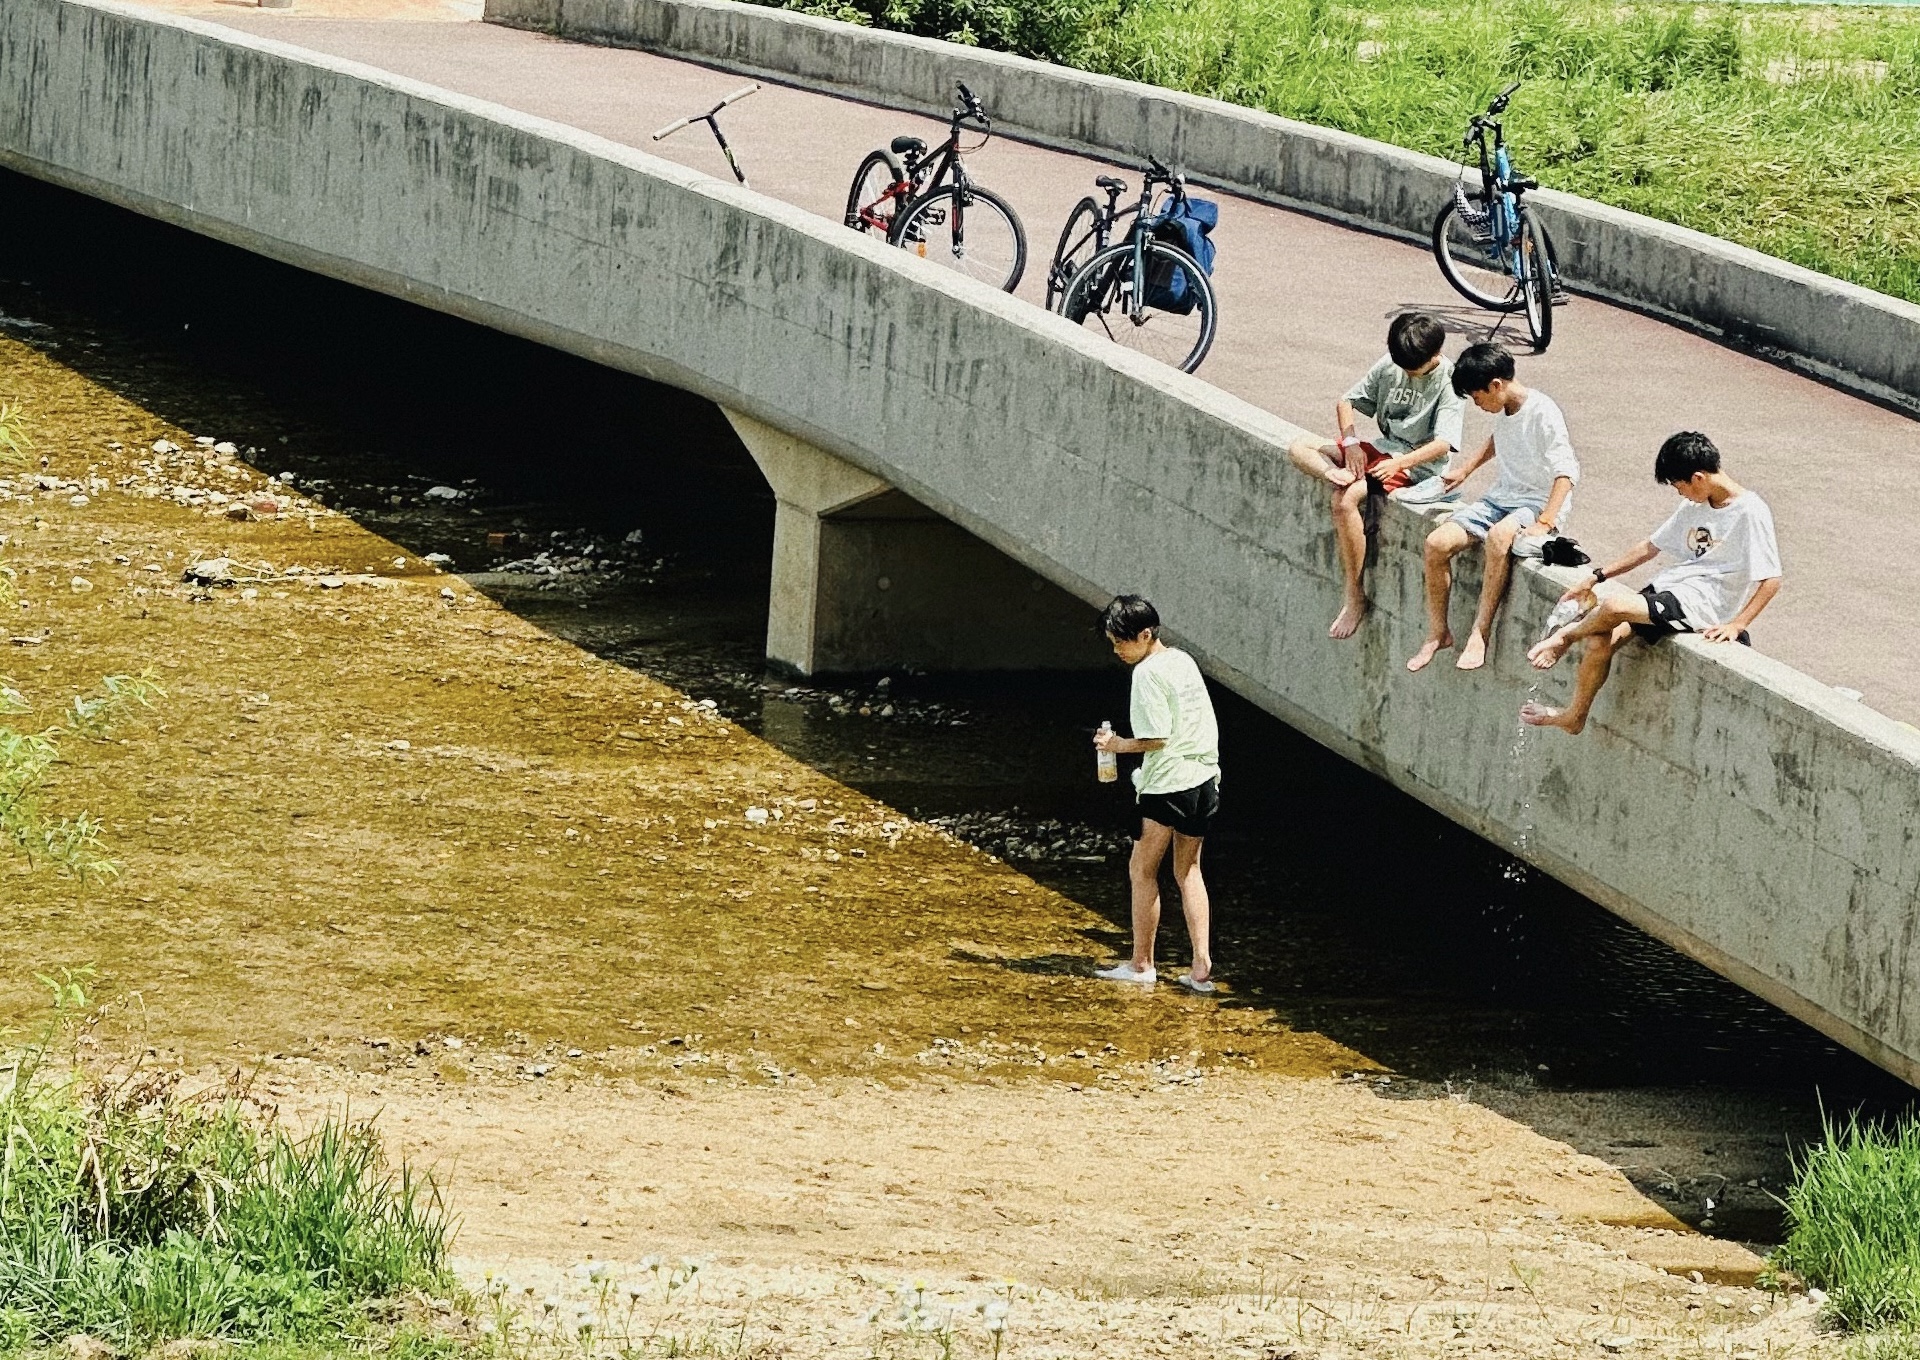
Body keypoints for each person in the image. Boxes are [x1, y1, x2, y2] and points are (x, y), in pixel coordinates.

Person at [1522, 431, 1781, 735]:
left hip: (1700, 604)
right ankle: (1574, 716)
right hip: (1669, 591)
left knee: (1615, 605)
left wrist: (1737, 625)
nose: (1680, 494)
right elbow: (1650, 547)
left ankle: (1563, 639)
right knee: (1599, 641)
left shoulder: (1750, 511)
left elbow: (1771, 579)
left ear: (1698, 477)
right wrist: (1595, 577)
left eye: (1679, 486)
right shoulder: (1695, 505)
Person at [1287, 313, 1465, 639]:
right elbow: (1346, 402)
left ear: (1435, 356)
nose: (1407, 373)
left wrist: (1399, 465)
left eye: (1413, 370)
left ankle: (1355, 595)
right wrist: (1351, 444)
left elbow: (1443, 445)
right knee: (1300, 447)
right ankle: (1339, 475)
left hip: (1413, 465)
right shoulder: (1391, 363)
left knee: (1347, 501)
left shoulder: (1449, 381)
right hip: (1380, 451)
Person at [1407, 343, 1578, 673]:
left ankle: (1479, 633)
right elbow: (1499, 439)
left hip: (1535, 503)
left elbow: (1567, 472)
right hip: (1500, 498)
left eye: (1477, 397)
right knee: (1436, 544)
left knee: (1500, 539)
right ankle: (1438, 632)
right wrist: (1467, 469)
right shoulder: (1508, 410)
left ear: (1496, 385)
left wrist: (1545, 520)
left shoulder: (1543, 412)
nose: (1477, 404)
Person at [1090, 595, 1220, 993]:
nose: (1117, 651)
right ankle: (1200, 966)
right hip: (1205, 780)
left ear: (1145, 635)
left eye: (1121, 642)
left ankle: (1142, 964)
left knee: (1141, 870)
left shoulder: (1147, 674)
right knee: (1188, 871)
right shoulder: (1183, 660)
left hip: (1168, 786)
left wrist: (1114, 745)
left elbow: (1155, 738)